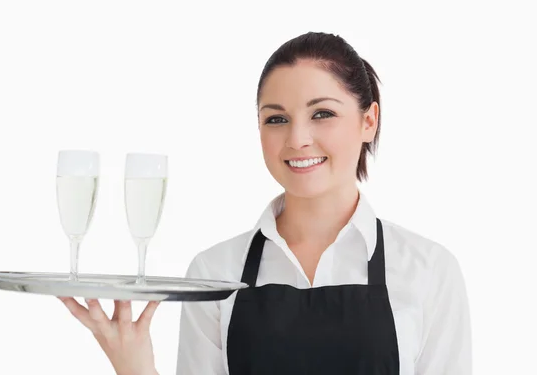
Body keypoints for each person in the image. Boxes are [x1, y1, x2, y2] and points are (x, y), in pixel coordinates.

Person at [58, 31, 472, 375]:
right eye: (276, 119)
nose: (297, 139)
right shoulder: (215, 273)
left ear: (369, 121)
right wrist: (135, 367)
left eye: (322, 113)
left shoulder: (429, 271)